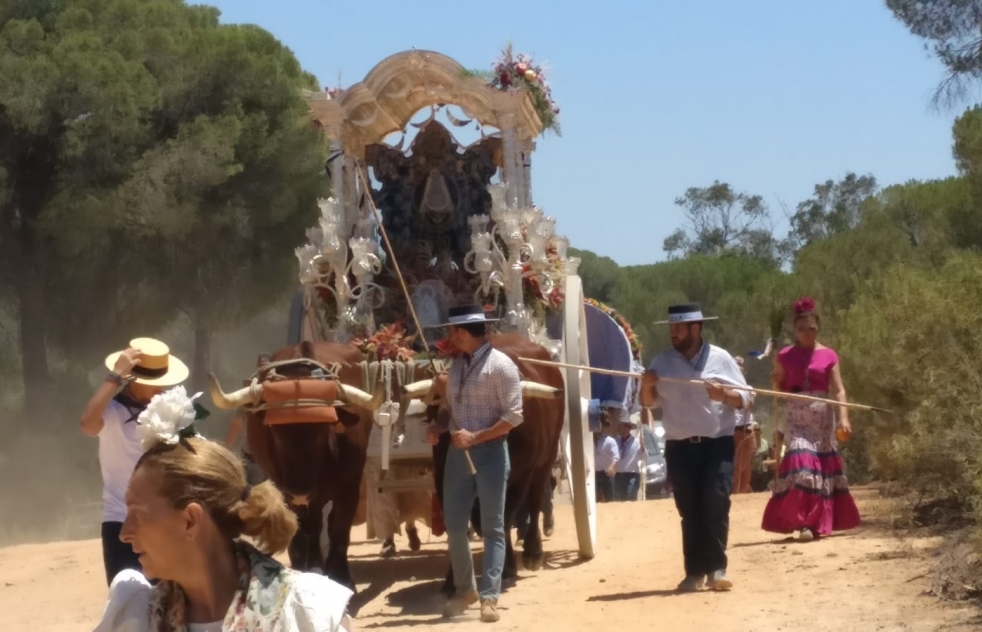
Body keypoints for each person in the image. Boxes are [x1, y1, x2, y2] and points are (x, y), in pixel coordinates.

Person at [93, 386, 354, 632]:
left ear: (191, 521)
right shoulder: (136, 616)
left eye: (137, 514)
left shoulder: (306, 615)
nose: (124, 534)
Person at [640, 303, 751, 592]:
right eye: (671, 328)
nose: (672, 333)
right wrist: (647, 386)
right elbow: (648, 403)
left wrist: (724, 394)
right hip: (679, 447)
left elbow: (747, 398)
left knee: (715, 502)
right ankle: (694, 572)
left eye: (678, 327)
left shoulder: (721, 359)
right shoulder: (661, 363)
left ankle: (717, 569)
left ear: (695, 328)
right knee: (689, 509)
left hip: (717, 444)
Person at [425, 305, 523, 623]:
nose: (449, 337)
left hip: (492, 452)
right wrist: (439, 428)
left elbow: (513, 416)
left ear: (465, 333)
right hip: (457, 454)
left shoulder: (502, 367)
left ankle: (490, 597)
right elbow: (450, 409)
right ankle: (467, 590)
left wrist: (476, 437)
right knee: (455, 527)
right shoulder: (456, 368)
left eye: (452, 332)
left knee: (493, 528)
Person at [80, 337, 189, 586]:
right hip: (121, 520)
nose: (162, 389)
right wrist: (114, 376)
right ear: (133, 381)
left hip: (165, 520)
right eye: (155, 384)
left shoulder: (171, 412)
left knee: (170, 601)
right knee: (128, 601)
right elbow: (87, 424)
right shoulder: (113, 412)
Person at [761, 297, 861, 541]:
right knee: (804, 469)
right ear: (796, 329)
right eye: (803, 328)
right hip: (797, 418)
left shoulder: (829, 355)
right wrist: (775, 381)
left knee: (822, 472)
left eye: (812, 328)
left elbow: (839, 390)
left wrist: (843, 418)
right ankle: (802, 521)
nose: (808, 332)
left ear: (818, 327)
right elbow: (781, 390)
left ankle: (814, 524)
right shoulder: (784, 355)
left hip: (822, 419)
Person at [732, 356, 758, 494]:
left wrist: (744, 395)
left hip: (744, 429)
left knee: (744, 466)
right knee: (735, 466)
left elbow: (750, 405)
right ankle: (734, 494)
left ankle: (742, 494)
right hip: (730, 430)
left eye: (740, 366)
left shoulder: (748, 388)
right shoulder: (727, 387)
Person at [613, 417, 642, 501]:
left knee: (630, 498)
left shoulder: (636, 442)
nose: (619, 430)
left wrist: (643, 448)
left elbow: (643, 457)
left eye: (621, 427)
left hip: (632, 475)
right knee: (619, 499)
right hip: (619, 475)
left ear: (627, 428)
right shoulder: (616, 441)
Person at [593, 424, 619, 503]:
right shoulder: (590, 441)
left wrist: (611, 467)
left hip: (606, 473)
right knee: (595, 498)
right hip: (595, 474)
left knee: (609, 497)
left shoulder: (609, 441)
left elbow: (616, 455)